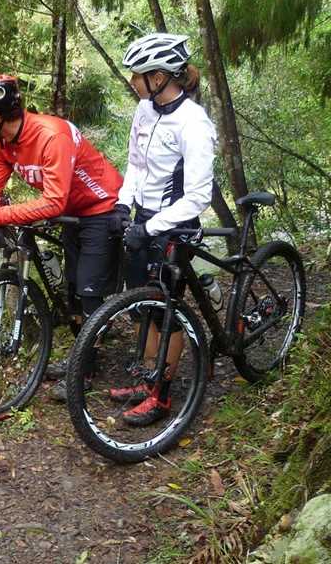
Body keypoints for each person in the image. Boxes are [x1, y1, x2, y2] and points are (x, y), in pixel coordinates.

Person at [0, 74, 124, 400]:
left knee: (89, 293)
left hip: (102, 208)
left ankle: (87, 369)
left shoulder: (51, 135)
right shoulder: (3, 145)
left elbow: (53, 201)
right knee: (73, 292)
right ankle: (83, 355)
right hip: (72, 215)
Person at [112, 33, 218, 426]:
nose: (132, 82)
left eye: (136, 75)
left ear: (158, 77)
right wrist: (124, 203)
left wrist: (153, 226)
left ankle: (163, 396)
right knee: (143, 304)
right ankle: (146, 378)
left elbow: (197, 196)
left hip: (175, 225)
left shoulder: (194, 123)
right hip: (144, 219)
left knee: (167, 310)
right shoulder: (145, 110)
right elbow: (136, 164)